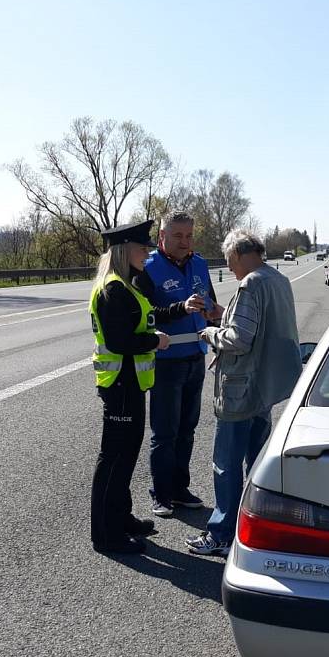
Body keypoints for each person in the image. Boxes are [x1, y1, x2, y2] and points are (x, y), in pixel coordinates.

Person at [89, 220, 204, 554]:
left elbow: (150, 315)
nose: (147, 254)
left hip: (130, 383)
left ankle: (121, 518)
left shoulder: (127, 285)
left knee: (125, 457)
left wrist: (179, 310)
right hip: (120, 383)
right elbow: (121, 339)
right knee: (114, 459)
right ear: (126, 251)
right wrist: (154, 341)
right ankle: (106, 535)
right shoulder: (113, 289)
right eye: (142, 249)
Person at [185, 230, 302, 556]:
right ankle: (252, 527)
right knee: (256, 463)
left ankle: (221, 534)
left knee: (226, 463)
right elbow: (259, 325)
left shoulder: (250, 284)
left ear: (237, 255)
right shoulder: (276, 280)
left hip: (240, 388)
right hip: (265, 387)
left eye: (228, 262)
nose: (230, 268)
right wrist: (224, 314)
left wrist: (209, 332)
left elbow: (238, 340)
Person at [134, 211, 218, 518]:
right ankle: (161, 492)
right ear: (162, 238)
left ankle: (180, 488)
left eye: (189, 236)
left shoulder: (199, 263)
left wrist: (214, 314)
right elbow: (145, 313)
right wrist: (180, 308)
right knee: (165, 432)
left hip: (197, 356)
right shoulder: (148, 267)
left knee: (187, 428)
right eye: (177, 236)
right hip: (166, 361)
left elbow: (209, 300)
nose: (185, 242)